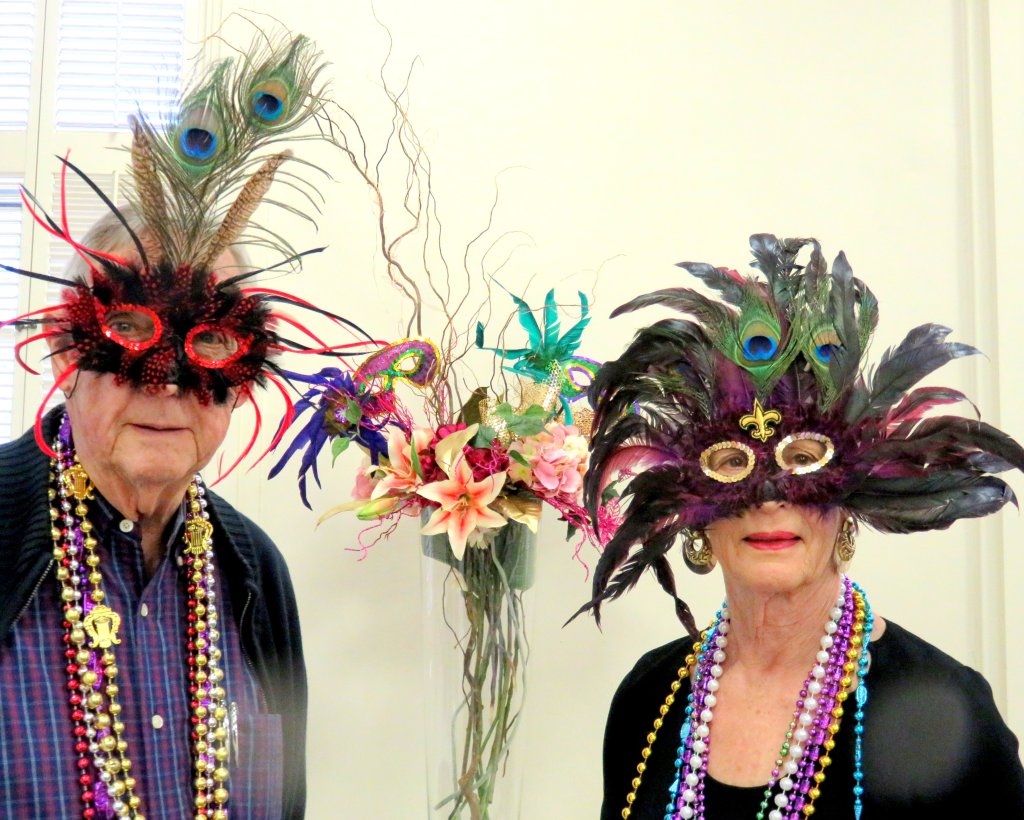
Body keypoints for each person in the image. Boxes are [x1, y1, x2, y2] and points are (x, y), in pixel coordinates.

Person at [0, 31, 368, 820]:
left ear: (247, 369)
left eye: (210, 342)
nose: (167, 383)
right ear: (65, 346)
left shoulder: (254, 573)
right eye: (132, 328)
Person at [581, 234, 1024, 819]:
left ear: (849, 500)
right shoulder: (650, 696)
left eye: (804, 459)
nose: (769, 500)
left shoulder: (948, 709)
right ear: (694, 515)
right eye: (732, 463)